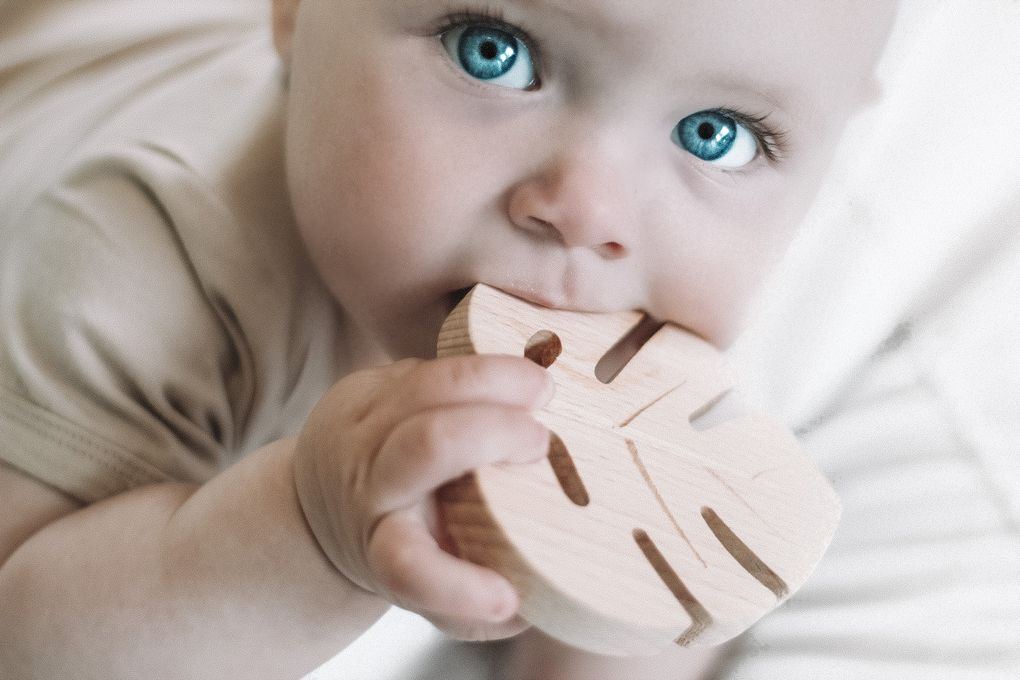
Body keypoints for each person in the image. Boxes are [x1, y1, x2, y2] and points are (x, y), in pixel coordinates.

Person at [0, 1, 895, 677]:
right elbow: (26, 635)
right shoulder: (152, 259)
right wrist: (308, 532)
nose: (588, 212)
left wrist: (622, 608)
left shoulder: (659, 322)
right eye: (493, 52)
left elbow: (634, 612)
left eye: (718, 136)